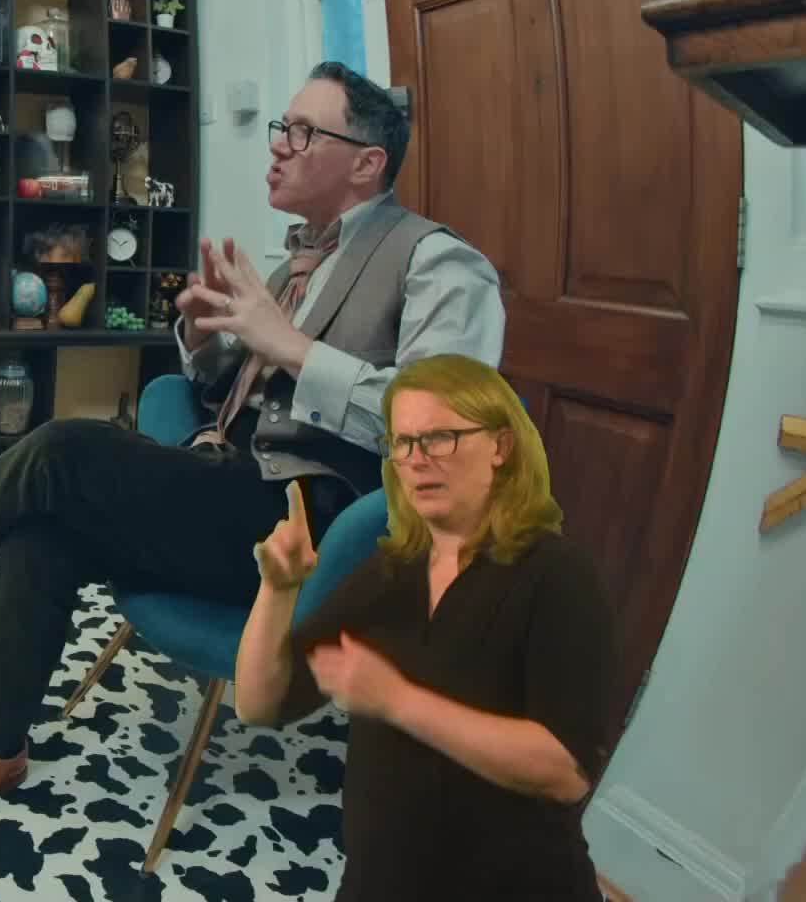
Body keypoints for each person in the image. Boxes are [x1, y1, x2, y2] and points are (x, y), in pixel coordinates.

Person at [0, 61, 506, 835]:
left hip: (309, 533)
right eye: (282, 127)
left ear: (367, 163)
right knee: (47, 521)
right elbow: (227, 390)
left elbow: (446, 433)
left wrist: (289, 345)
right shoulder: (297, 264)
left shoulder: (440, 263)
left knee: (65, 452)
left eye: (303, 132)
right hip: (228, 487)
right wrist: (200, 334)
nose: (278, 145)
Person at [235, 353, 617, 900]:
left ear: (501, 447)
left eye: (439, 438)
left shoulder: (559, 575)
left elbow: (564, 770)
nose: (416, 460)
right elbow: (258, 704)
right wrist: (278, 589)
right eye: (403, 442)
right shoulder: (389, 572)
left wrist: (396, 700)